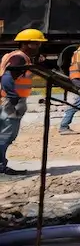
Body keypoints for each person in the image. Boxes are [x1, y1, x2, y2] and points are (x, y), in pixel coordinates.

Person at [0, 29, 45, 175]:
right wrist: (15, 99)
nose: (39, 46)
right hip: (10, 102)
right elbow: (7, 78)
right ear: (28, 44)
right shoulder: (19, 58)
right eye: (37, 44)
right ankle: (1, 167)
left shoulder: (14, 56)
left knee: (3, 134)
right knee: (6, 135)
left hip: (5, 99)